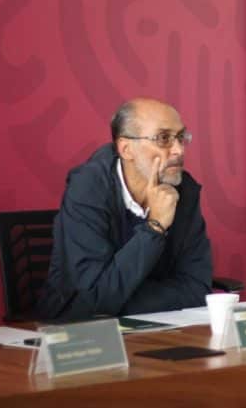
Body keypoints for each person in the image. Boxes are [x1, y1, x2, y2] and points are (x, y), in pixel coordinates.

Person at [38, 98, 212, 320]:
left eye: (180, 137)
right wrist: (155, 227)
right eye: (163, 138)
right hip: (79, 329)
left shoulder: (184, 190)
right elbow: (95, 298)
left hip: (159, 323)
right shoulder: (87, 188)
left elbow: (198, 288)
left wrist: (122, 300)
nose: (178, 150)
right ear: (126, 149)